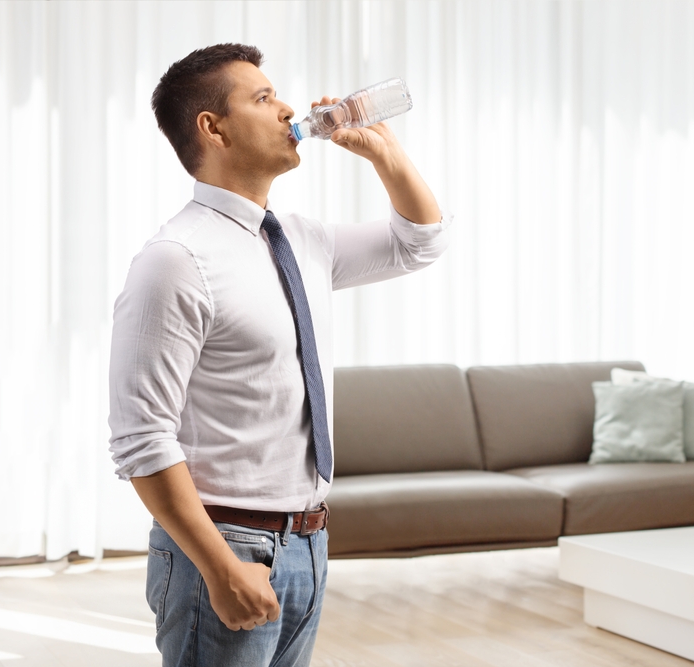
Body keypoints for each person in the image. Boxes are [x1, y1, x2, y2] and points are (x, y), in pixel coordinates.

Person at [107, 43, 450, 667]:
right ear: (212, 128)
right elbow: (142, 439)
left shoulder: (302, 238)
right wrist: (220, 567)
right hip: (226, 545)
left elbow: (420, 242)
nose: (289, 107)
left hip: (308, 540)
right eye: (263, 98)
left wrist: (385, 153)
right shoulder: (176, 261)